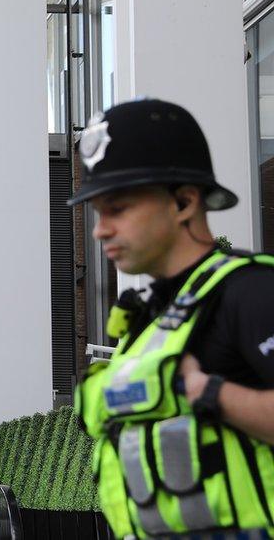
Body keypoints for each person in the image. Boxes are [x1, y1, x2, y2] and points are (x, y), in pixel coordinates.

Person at [71, 99, 274, 539]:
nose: (99, 230)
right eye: (98, 212)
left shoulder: (251, 293)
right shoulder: (145, 324)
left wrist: (207, 392)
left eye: (118, 209)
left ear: (184, 202)